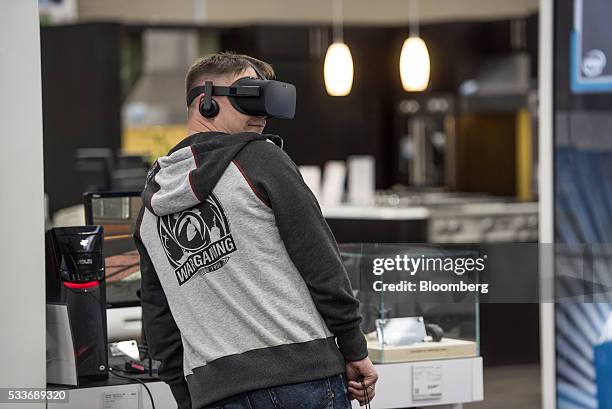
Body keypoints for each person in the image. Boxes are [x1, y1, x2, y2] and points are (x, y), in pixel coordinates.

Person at [134, 52, 378, 409]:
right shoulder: (260, 160)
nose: (262, 113)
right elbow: (322, 264)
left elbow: (158, 322)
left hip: (215, 394)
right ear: (206, 102)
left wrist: (189, 396)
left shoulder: (147, 210)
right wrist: (354, 348)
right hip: (301, 379)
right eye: (249, 96)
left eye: (266, 99)